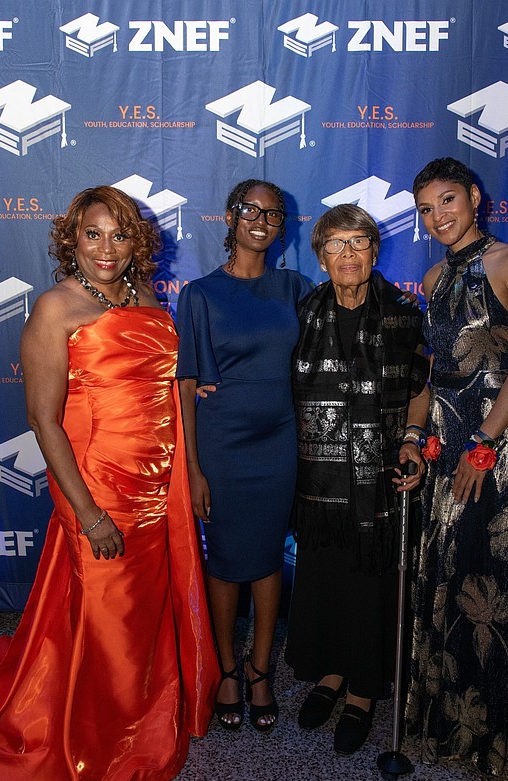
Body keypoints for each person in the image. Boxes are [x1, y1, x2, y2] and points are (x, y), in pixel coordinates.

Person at [0, 186, 218, 781]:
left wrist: (188, 467)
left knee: (142, 613)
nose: (106, 248)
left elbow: (171, 390)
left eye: (119, 234)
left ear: (136, 241)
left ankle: (143, 715)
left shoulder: (147, 298)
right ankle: (98, 733)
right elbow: (43, 421)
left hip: (158, 484)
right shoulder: (55, 309)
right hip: (98, 484)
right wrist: (87, 514)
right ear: (73, 240)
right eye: (93, 234)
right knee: (109, 615)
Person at [405, 157, 508, 775]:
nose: (437, 216)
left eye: (447, 200)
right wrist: (413, 436)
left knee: (493, 577)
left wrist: (483, 445)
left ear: (473, 197)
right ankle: (450, 714)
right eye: (425, 209)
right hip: (445, 444)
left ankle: (499, 725)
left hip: (498, 440)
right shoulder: (433, 276)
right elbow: (429, 372)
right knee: (448, 570)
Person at [284, 203, 430, 756]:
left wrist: (412, 439)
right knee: (325, 577)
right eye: (336, 244)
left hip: (379, 477)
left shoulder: (404, 313)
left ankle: (364, 689)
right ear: (321, 257)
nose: (348, 253)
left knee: (371, 582)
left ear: (375, 250)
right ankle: (330, 672)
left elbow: (420, 386)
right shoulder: (303, 313)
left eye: (359, 242)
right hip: (317, 480)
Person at [175, 179, 313, 732]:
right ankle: (226, 668)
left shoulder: (295, 287)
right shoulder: (200, 294)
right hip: (222, 444)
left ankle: (260, 670)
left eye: (273, 214)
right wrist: (193, 468)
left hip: (281, 440)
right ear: (230, 217)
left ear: (283, 228)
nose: (261, 220)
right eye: (250, 210)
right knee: (227, 560)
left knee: (268, 556)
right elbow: (187, 385)